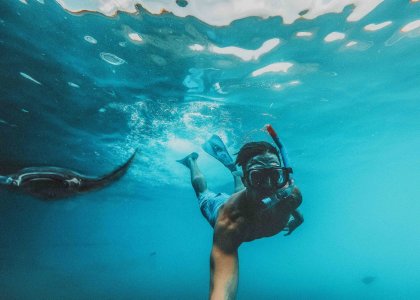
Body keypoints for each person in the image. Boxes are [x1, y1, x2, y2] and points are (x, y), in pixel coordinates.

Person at [177, 135, 303, 299]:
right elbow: (221, 289)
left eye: (274, 174)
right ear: (247, 180)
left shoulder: (291, 194)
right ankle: (191, 161)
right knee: (203, 193)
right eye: (257, 176)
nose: (268, 184)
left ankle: (235, 169)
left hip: (245, 197)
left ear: (282, 175)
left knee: (245, 192)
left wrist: (298, 219)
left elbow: (290, 205)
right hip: (218, 205)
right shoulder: (230, 223)